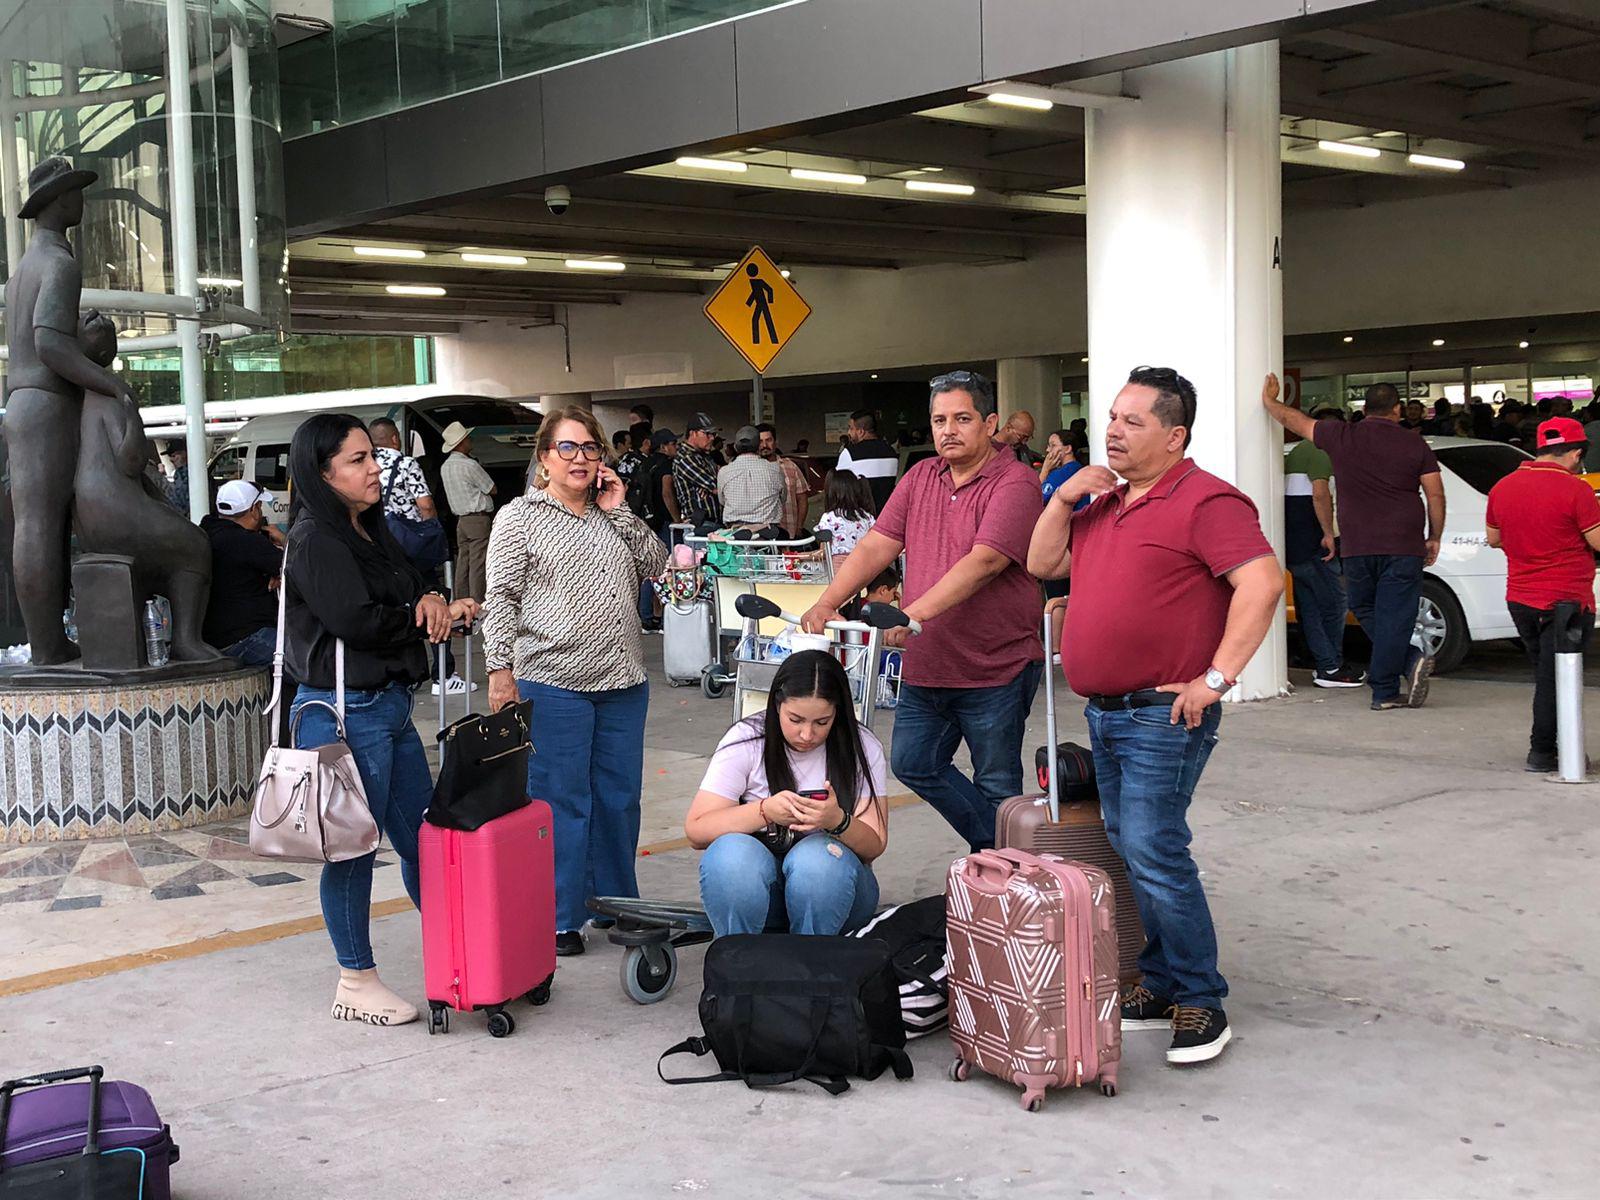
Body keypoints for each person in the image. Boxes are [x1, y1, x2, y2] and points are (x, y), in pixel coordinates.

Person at [1026, 365, 1283, 1066]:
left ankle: (1202, 997)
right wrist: (1064, 497)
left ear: (1175, 437)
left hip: (1160, 715)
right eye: (1111, 416)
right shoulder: (1105, 501)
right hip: (1107, 712)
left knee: (1154, 848)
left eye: (1133, 421)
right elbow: (1042, 560)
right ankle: (1165, 981)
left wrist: (1216, 678)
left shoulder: (1208, 502)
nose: (1113, 429)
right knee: (1135, 845)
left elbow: (1262, 584)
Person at [283, 413, 477, 1027]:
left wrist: (431, 600)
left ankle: (463, 957)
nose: (376, 469)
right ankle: (355, 980)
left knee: (428, 838)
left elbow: (411, 585)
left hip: (387, 706)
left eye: (373, 455)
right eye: (359, 460)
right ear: (323, 473)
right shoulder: (316, 537)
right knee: (353, 852)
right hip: (343, 714)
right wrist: (423, 615)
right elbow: (357, 620)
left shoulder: (364, 528)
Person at [803, 369, 1043, 853]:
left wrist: (910, 616)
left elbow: (985, 561)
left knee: (997, 782)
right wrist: (828, 600)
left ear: (990, 423)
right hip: (928, 663)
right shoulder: (920, 477)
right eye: (939, 420)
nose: (948, 430)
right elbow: (876, 546)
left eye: (962, 418)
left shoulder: (1015, 482)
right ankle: (1007, 855)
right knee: (914, 762)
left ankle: (1008, 880)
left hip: (995, 666)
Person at [482, 406, 668, 957]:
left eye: (590, 448)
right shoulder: (520, 517)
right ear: (544, 458)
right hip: (552, 680)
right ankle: (562, 915)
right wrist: (499, 671)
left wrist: (624, 512)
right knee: (562, 800)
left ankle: (617, 904)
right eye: (568, 448)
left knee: (619, 798)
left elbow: (661, 569)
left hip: (622, 682)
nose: (581, 459)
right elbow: (502, 600)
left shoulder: (614, 516)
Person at [1263, 377, 1445, 711]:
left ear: (1363, 409)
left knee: (1364, 608)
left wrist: (1271, 401)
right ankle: (1404, 665)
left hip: (1359, 544)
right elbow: (1435, 492)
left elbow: (1297, 422)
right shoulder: (1414, 443)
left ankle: (1389, 685)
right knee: (1396, 614)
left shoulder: (1342, 435)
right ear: (1397, 409)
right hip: (1403, 542)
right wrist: (1435, 536)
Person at [685, 650, 888, 937]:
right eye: (796, 719)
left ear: (838, 714)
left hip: (837, 891)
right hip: (760, 894)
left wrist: (837, 821)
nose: (807, 734)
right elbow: (697, 830)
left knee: (817, 860)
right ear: (777, 706)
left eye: (822, 722)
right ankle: (736, 964)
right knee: (731, 856)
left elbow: (875, 844)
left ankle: (809, 967)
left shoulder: (863, 747)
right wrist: (764, 811)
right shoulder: (747, 738)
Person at [1486, 417, 1600, 772]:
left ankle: (1556, 748)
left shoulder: (1502, 487)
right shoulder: (1576, 490)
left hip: (1519, 598)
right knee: (1556, 678)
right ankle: (1545, 751)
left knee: (1546, 673)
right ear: (1577, 453)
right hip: (1566, 600)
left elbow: (1494, 539)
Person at [1284, 426, 1362, 688]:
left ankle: (1323, 663)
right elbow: (1320, 494)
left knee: (1310, 606)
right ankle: (1331, 666)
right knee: (1335, 602)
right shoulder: (1321, 452)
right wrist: (1329, 533)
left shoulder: (1297, 451)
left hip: (1294, 543)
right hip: (1313, 542)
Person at [202, 479, 284, 666]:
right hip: (245, 636)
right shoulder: (246, 541)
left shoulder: (208, 533)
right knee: (312, 664)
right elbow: (298, 568)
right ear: (254, 510)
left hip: (212, 637)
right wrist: (284, 540)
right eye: (260, 507)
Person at [439, 420, 496, 603]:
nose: (471, 441)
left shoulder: (445, 467)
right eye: (468, 438)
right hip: (478, 519)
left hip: (461, 520)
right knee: (478, 563)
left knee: (463, 562)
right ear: (462, 443)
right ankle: (478, 601)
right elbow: (491, 489)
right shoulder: (470, 465)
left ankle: (461, 600)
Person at [717, 425, 786, 528]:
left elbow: (722, 501)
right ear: (758, 446)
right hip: (767, 532)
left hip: (734, 533)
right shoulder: (775, 469)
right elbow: (782, 497)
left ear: (735, 447)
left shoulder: (724, 472)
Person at [368, 418, 436, 524]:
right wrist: (432, 529)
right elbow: (426, 505)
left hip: (376, 530)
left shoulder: (363, 464)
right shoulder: (406, 463)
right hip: (408, 532)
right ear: (395, 439)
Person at [834, 409, 899, 514]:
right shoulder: (891, 452)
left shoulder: (849, 453)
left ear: (861, 431)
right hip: (887, 517)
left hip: (860, 519)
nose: (848, 432)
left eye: (851, 428)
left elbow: (839, 487)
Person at [758, 421, 811, 535]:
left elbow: (802, 499)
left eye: (768, 440)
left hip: (789, 532)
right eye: (760, 441)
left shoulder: (790, 466)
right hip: (761, 536)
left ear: (775, 442)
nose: (764, 445)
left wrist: (799, 527)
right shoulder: (751, 468)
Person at [815, 469, 876, 566]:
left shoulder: (828, 518)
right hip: (864, 568)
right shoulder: (867, 517)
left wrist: (801, 556)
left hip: (840, 572)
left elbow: (823, 553)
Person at [673, 412, 723, 527]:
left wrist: (708, 487)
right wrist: (712, 487)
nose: (712, 438)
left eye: (714, 434)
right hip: (700, 523)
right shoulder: (685, 458)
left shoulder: (703, 455)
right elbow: (717, 487)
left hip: (713, 521)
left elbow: (720, 480)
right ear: (693, 433)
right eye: (707, 434)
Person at [1039, 428, 1083, 502]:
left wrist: (1045, 470)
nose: (1048, 450)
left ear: (1068, 449)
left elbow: (1036, 497)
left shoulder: (1063, 473)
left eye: (1053, 445)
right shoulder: (1078, 467)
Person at [164, 442, 189, 512]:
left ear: (184, 454)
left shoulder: (193, 474)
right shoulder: (178, 474)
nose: (171, 460)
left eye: (174, 456)